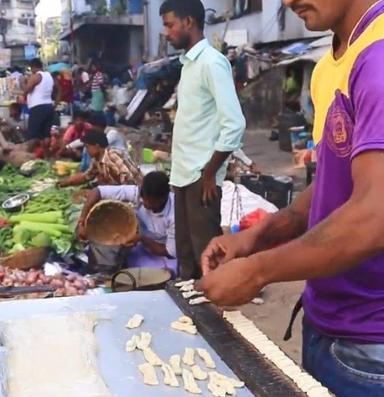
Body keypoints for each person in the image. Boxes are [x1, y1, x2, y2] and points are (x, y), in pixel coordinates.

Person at [197, 1, 384, 395]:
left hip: (372, 342)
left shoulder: (379, 58)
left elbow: (374, 215)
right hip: (325, 320)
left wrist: (258, 271)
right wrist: (256, 237)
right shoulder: (330, 66)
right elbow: (331, 184)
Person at [160, 0, 246, 280]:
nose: (165, 32)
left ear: (188, 22)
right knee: (186, 257)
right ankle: (191, 316)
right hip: (184, 175)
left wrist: (210, 171)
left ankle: (214, 318)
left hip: (201, 178)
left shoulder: (212, 62)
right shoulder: (188, 65)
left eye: (169, 24)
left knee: (206, 261)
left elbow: (234, 124)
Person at [77, 171, 176, 274]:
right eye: (143, 199)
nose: (144, 203)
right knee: (102, 249)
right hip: (139, 244)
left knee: (161, 272)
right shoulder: (137, 193)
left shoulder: (174, 214)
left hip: (161, 251)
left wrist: (142, 238)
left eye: (150, 202)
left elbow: (169, 251)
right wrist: (81, 222)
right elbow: (97, 191)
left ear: (162, 199)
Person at [58, 130, 142, 187]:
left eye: (88, 147)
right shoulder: (96, 160)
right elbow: (86, 177)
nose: (86, 150)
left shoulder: (112, 155)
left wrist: (108, 189)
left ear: (97, 146)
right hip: (120, 188)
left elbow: (128, 179)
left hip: (136, 189)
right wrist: (65, 183)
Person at [23, 58, 56, 157]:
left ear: (33, 67)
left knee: (33, 135)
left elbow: (26, 90)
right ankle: (48, 158)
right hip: (48, 106)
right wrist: (56, 104)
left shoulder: (36, 76)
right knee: (46, 136)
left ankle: (25, 157)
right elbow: (57, 89)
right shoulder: (49, 76)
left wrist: (23, 82)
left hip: (38, 107)